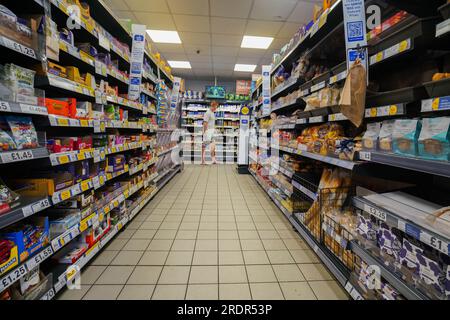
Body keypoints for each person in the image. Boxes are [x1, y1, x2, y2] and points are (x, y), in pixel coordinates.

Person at [202, 100, 218, 165]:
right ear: (212, 106)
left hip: (212, 131)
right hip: (207, 131)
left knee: (213, 146)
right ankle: (203, 161)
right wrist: (205, 132)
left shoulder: (212, 113)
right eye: (215, 107)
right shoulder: (207, 113)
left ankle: (213, 160)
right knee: (204, 146)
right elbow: (205, 123)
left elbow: (212, 123)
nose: (216, 108)